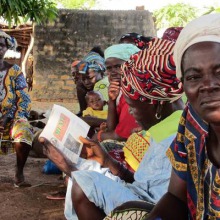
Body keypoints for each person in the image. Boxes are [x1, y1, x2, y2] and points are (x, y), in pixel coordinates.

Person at [39, 37, 184, 220]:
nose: (132, 112)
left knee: (85, 183)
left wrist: (70, 169)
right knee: (86, 177)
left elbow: (158, 208)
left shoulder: (176, 142)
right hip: (145, 201)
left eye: (132, 106)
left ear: (156, 105)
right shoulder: (163, 131)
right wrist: (107, 161)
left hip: (152, 212)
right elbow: (143, 185)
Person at [145, 13, 220, 220]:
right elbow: (175, 196)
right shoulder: (192, 121)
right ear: (184, 84)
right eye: (194, 77)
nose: (208, 85)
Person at [0, 30, 34, 187]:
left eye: (0, 45)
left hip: (11, 116)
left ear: (6, 48)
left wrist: (13, 115)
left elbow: (24, 99)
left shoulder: (15, 71)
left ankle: (19, 172)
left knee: (24, 130)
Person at [92, 44, 140, 143]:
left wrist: (98, 136)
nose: (113, 72)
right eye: (109, 68)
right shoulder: (123, 93)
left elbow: (121, 136)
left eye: (118, 66)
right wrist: (112, 100)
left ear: (132, 66)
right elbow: (111, 128)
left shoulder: (135, 94)